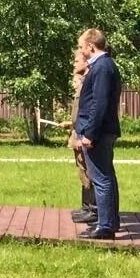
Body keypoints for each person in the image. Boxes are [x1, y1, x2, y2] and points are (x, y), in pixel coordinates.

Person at [74, 28, 122, 239]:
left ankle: (105, 226)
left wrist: (89, 134)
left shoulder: (102, 67)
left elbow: (99, 104)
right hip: (101, 131)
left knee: (101, 179)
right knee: (106, 178)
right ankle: (109, 222)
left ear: (90, 46)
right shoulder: (105, 65)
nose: (80, 50)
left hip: (98, 134)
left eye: (81, 46)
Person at [61, 51, 97, 225]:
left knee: (89, 171)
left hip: (85, 133)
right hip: (79, 130)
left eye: (76, 60)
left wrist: (82, 133)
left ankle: (93, 209)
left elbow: (90, 111)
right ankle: (87, 207)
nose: (74, 64)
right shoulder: (83, 83)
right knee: (82, 170)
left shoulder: (88, 84)